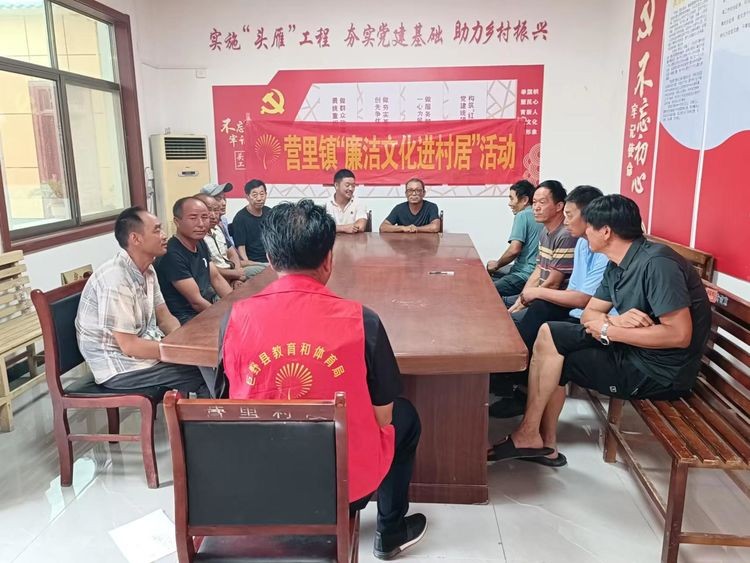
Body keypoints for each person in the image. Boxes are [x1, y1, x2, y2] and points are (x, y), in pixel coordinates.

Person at [221, 200, 427, 560]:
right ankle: (389, 531)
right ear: (329, 259)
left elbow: (225, 404)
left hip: (258, 481)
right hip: (345, 486)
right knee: (404, 417)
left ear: (270, 259)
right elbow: (383, 417)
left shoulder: (234, 319)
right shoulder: (363, 320)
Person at [491, 195, 711, 466]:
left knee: (557, 359)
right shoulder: (617, 263)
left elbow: (679, 335)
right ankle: (533, 437)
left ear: (605, 231)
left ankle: (539, 440)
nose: (584, 233)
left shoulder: (657, 264)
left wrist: (608, 330)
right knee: (549, 332)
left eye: (589, 227)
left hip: (660, 371)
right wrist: (614, 322)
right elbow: (589, 313)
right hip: (633, 348)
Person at [489, 186, 609, 435]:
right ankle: (503, 380)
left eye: (569, 214)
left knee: (536, 317)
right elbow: (550, 278)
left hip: (587, 318)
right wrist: (523, 299)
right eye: (534, 202)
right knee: (502, 309)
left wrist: (533, 296)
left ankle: (514, 384)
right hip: (574, 309)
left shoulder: (582, 242)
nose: (567, 220)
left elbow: (574, 294)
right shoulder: (580, 243)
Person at [75, 207, 209, 396]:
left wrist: (183, 345)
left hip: (142, 355)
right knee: (204, 374)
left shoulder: (148, 270)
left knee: (208, 364)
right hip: (120, 367)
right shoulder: (116, 280)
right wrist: (177, 352)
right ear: (135, 239)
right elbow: (129, 346)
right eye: (157, 230)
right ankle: (210, 416)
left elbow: (165, 317)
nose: (164, 235)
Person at [155, 197, 232, 324]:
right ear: (177, 222)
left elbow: (216, 278)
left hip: (207, 306)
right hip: (186, 318)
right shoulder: (171, 254)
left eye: (204, 217)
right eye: (193, 218)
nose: (201, 224)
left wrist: (236, 305)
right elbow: (196, 302)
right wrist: (227, 318)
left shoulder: (200, 242)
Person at [506, 180, 577, 311]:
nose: (536, 207)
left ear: (559, 206)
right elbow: (538, 269)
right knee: (500, 304)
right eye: (534, 202)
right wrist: (522, 299)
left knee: (508, 315)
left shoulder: (565, 235)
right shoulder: (545, 231)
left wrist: (523, 303)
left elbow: (553, 283)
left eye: (542, 202)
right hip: (539, 295)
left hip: (553, 302)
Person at [194, 193, 265, 288]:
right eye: (209, 210)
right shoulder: (197, 238)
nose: (213, 215)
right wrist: (235, 275)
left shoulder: (218, 228)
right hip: (218, 279)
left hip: (234, 271)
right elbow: (209, 269)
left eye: (216, 210)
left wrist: (236, 276)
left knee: (269, 269)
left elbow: (232, 254)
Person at [486, 180, 543, 299]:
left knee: (485, 290)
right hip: (535, 276)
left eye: (512, 199)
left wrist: (497, 264)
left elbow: (514, 250)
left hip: (523, 275)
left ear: (524, 200)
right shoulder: (540, 216)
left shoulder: (522, 215)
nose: (510, 204)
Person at [231, 179, 271, 264]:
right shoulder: (240, 218)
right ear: (247, 197)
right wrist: (248, 263)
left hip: (271, 260)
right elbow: (241, 247)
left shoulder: (270, 213)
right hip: (253, 262)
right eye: (255, 195)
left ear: (266, 194)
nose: (259, 198)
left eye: (262, 194)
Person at [326, 168, 368, 233]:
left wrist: (334, 228)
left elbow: (361, 226)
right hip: (332, 239)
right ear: (336, 185)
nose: (351, 189)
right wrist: (344, 228)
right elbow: (322, 228)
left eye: (353, 186)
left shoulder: (358, 203)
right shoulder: (326, 204)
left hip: (354, 239)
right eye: (347, 185)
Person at [200, 182, 234, 247]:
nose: (224, 203)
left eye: (224, 198)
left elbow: (229, 246)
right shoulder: (201, 227)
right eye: (218, 199)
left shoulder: (223, 220)